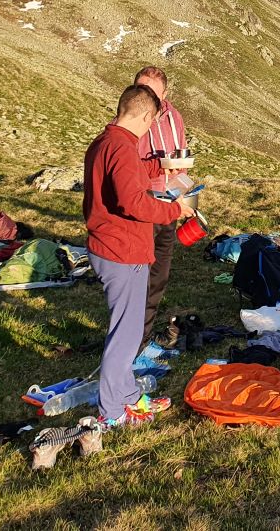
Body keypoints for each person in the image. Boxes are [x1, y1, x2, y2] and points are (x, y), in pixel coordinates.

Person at [84, 84, 193, 428]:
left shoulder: (107, 142)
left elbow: (124, 183)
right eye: (152, 122)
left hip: (113, 245)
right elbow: (132, 201)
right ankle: (112, 410)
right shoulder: (120, 147)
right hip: (122, 250)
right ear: (146, 115)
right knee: (126, 334)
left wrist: (159, 172)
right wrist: (174, 210)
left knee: (127, 328)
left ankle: (128, 394)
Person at [133, 66, 189, 347]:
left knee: (159, 272)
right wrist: (158, 165)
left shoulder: (173, 116)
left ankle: (143, 333)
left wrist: (183, 183)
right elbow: (126, 168)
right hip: (143, 204)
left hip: (169, 202)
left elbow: (180, 151)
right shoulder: (132, 118)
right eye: (142, 90)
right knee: (137, 273)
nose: (148, 98)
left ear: (164, 94)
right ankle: (131, 337)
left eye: (153, 93)